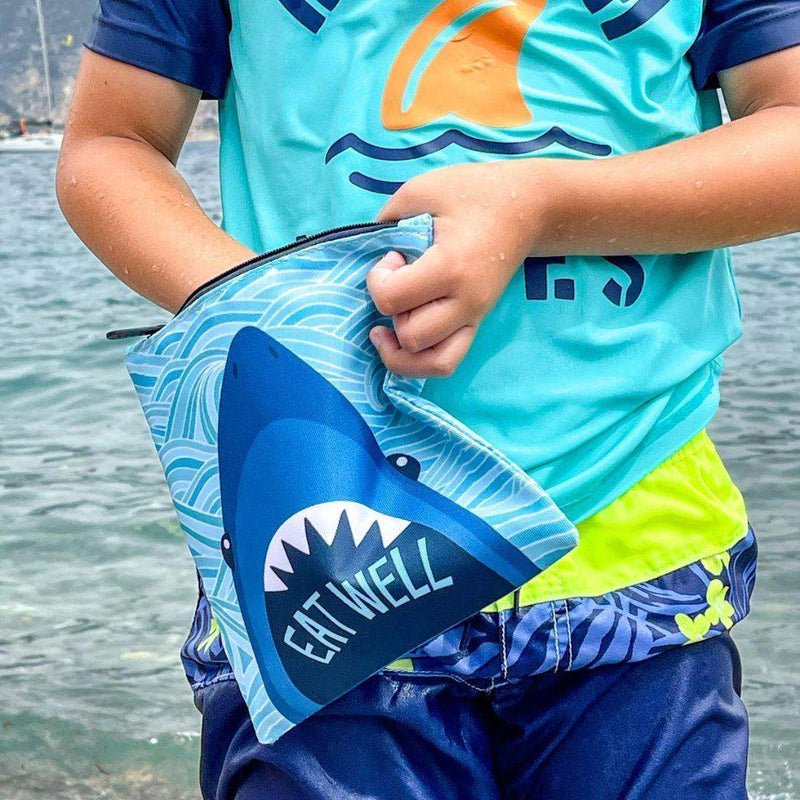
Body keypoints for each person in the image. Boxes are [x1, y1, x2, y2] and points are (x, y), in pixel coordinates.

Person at [56, 1, 800, 797]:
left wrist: (542, 206)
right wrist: (279, 314)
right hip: (320, 552)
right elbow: (112, 143)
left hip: (637, 528)